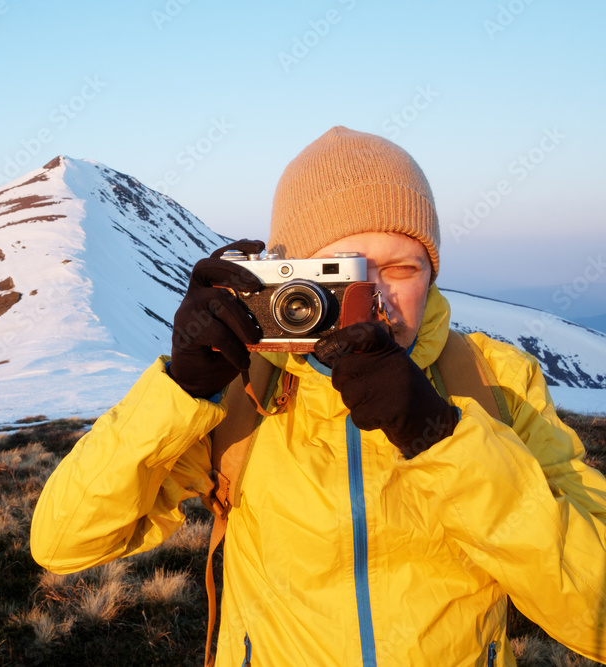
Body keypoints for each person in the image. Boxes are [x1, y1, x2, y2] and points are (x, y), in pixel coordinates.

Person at [29, 126, 606, 666]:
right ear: (293, 276)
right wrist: (179, 391)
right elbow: (63, 542)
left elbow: (595, 613)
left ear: (432, 274)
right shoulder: (242, 391)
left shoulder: (493, 381)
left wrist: (441, 437)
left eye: (401, 268)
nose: (373, 299)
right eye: (343, 272)